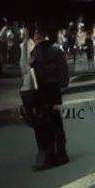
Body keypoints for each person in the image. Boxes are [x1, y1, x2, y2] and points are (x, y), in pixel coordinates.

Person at [24, 25, 70, 170]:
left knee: (42, 126)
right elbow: (64, 78)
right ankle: (59, 154)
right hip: (53, 94)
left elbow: (27, 75)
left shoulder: (34, 53)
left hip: (39, 95)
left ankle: (46, 155)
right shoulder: (56, 51)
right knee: (55, 124)